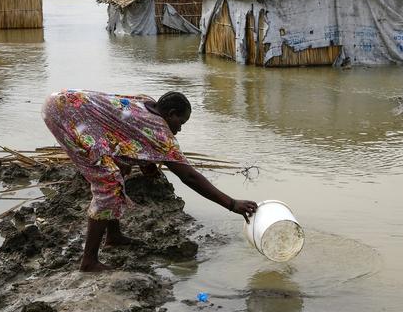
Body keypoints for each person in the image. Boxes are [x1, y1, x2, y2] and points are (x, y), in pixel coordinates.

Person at [42, 89, 257, 272]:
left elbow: (133, 133)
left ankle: (114, 237)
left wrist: (148, 164)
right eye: (180, 123)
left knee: (120, 168)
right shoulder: (160, 133)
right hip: (65, 114)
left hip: (64, 101)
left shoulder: (147, 103)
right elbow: (189, 176)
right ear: (171, 114)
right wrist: (231, 203)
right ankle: (89, 262)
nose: (179, 129)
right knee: (108, 184)